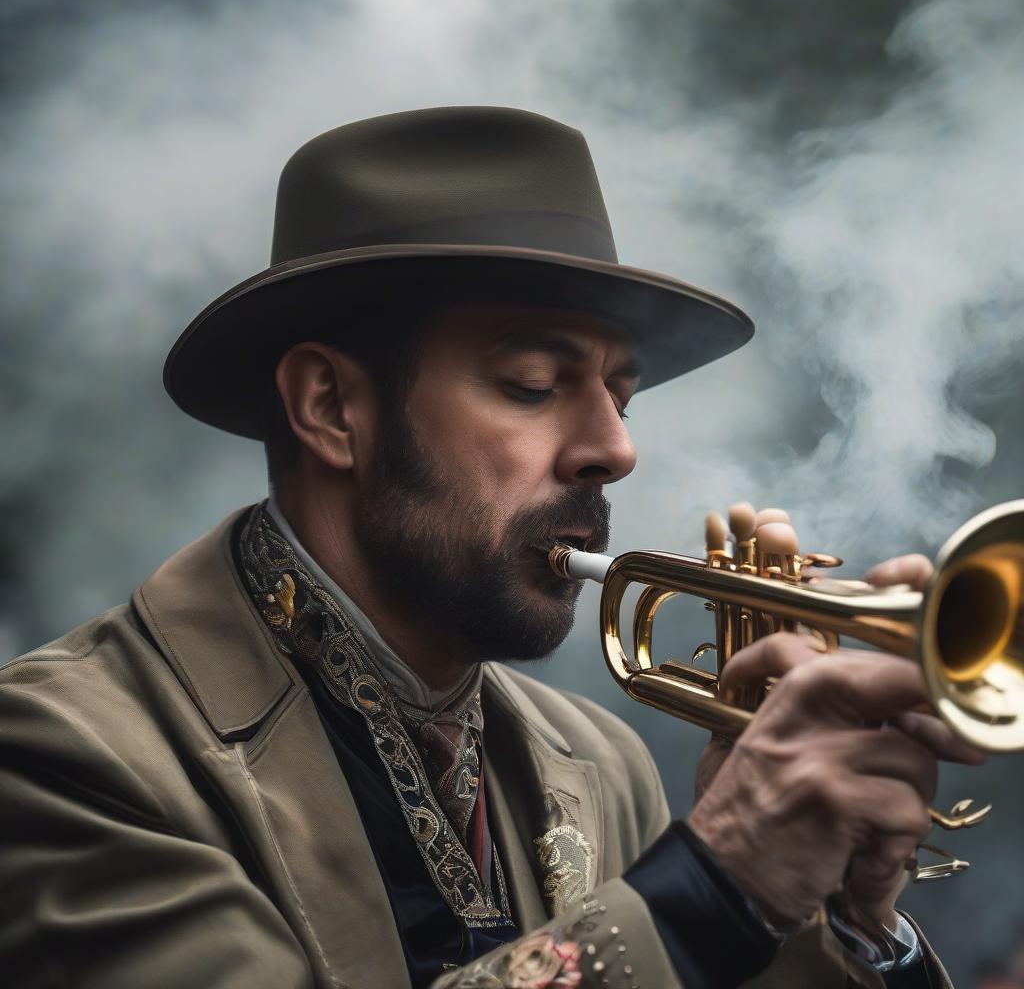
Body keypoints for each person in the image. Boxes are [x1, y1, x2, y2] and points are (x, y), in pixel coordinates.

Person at [0, 106, 977, 988]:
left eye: (621, 395)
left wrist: (837, 921)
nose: (616, 448)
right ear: (332, 406)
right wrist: (715, 884)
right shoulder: (64, 755)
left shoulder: (601, 761)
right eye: (531, 381)